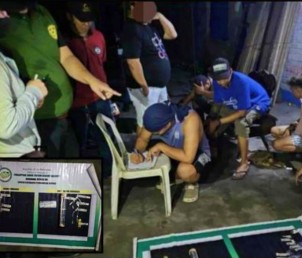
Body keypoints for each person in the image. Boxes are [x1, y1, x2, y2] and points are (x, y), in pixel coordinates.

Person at [0, 1, 120, 157]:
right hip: (38, 121)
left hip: (64, 114)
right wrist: (32, 92)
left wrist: (92, 81)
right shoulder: (5, 22)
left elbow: (65, 56)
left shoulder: (42, 12)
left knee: (73, 168)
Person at [64, 1, 114, 178]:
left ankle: (110, 175)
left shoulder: (99, 36)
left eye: (89, 19)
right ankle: (82, 178)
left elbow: (102, 63)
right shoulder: (66, 43)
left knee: (107, 139)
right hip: (77, 101)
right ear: (70, 17)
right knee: (79, 143)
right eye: (81, 19)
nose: (86, 23)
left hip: (100, 98)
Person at [131, 102, 211, 203]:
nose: (154, 133)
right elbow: (143, 139)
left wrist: (161, 147)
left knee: (184, 170)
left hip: (196, 153)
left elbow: (188, 157)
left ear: (168, 124)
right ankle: (174, 176)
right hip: (174, 150)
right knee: (150, 152)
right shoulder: (157, 117)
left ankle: (192, 183)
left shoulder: (190, 120)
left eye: (156, 132)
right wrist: (136, 152)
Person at [207, 57, 271, 180]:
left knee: (241, 123)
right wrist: (212, 118)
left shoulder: (241, 82)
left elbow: (242, 112)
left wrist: (218, 122)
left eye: (225, 78)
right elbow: (218, 103)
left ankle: (244, 162)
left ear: (231, 70)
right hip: (236, 102)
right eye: (218, 79)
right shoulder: (217, 81)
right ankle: (212, 145)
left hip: (257, 103)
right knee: (215, 117)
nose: (221, 82)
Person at [120, 1, 177, 136]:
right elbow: (133, 62)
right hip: (146, 87)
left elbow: (172, 34)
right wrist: (144, 86)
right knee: (145, 123)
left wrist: (161, 16)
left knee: (159, 118)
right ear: (133, 7)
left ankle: (147, 148)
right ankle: (138, 153)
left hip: (159, 86)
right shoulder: (132, 29)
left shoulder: (149, 27)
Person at [0, 9, 48, 158]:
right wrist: (33, 93)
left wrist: (29, 98)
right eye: (1, 11)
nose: (6, 15)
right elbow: (6, 126)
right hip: (12, 161)